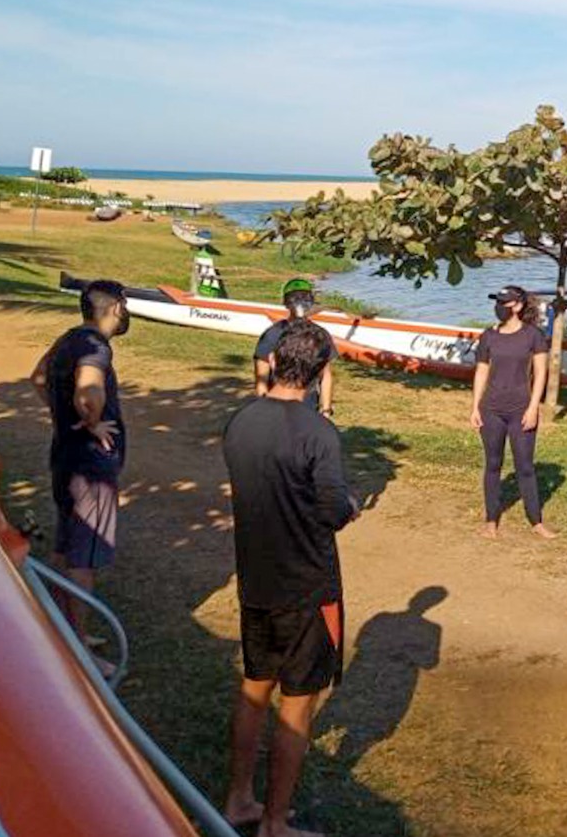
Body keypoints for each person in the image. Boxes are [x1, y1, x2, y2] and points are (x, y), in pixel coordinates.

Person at [222, 319, 358, 837]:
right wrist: (346, 504)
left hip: (256, 578)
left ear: (274, 361)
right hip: (306, 587)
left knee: (255, 688)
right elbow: (332, 508)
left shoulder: (240, 421)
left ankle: (238, 798)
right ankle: (274, 822)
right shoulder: (319, 433)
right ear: (320, 371)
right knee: (297, 704)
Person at [30, 279, 130, 645]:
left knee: (64, 546)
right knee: (83, 557)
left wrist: (62, 416)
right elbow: (89, 390)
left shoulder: (69, 339)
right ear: (116, 308)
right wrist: (91, 419)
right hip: (90, 467)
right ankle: (75, 642)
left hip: (65, 456)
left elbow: (38, 377)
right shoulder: (95, 347)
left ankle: (57, 627)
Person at [469, 285, 554, 539]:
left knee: (525, 466)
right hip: (491, 409)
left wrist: (533, 407)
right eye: (497, 302)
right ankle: (491, 520)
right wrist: (475, 406)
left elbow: (540, 373)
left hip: (521, 409)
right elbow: (482, 370)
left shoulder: (533, 336)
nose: (499, 307)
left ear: (517, 306)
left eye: (504, 303)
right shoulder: (488, 336)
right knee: (493, 464)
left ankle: (536, 521)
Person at [254, 278, 334, 419]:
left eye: (304, 298)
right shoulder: (272, 335)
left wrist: (325, 410)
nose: (300, 303)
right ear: (286, 303)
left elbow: (325, 375)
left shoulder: (320, 335)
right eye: (295, 298)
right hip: (276, 405)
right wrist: (263, 411)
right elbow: (261, 380)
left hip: (309, 406)